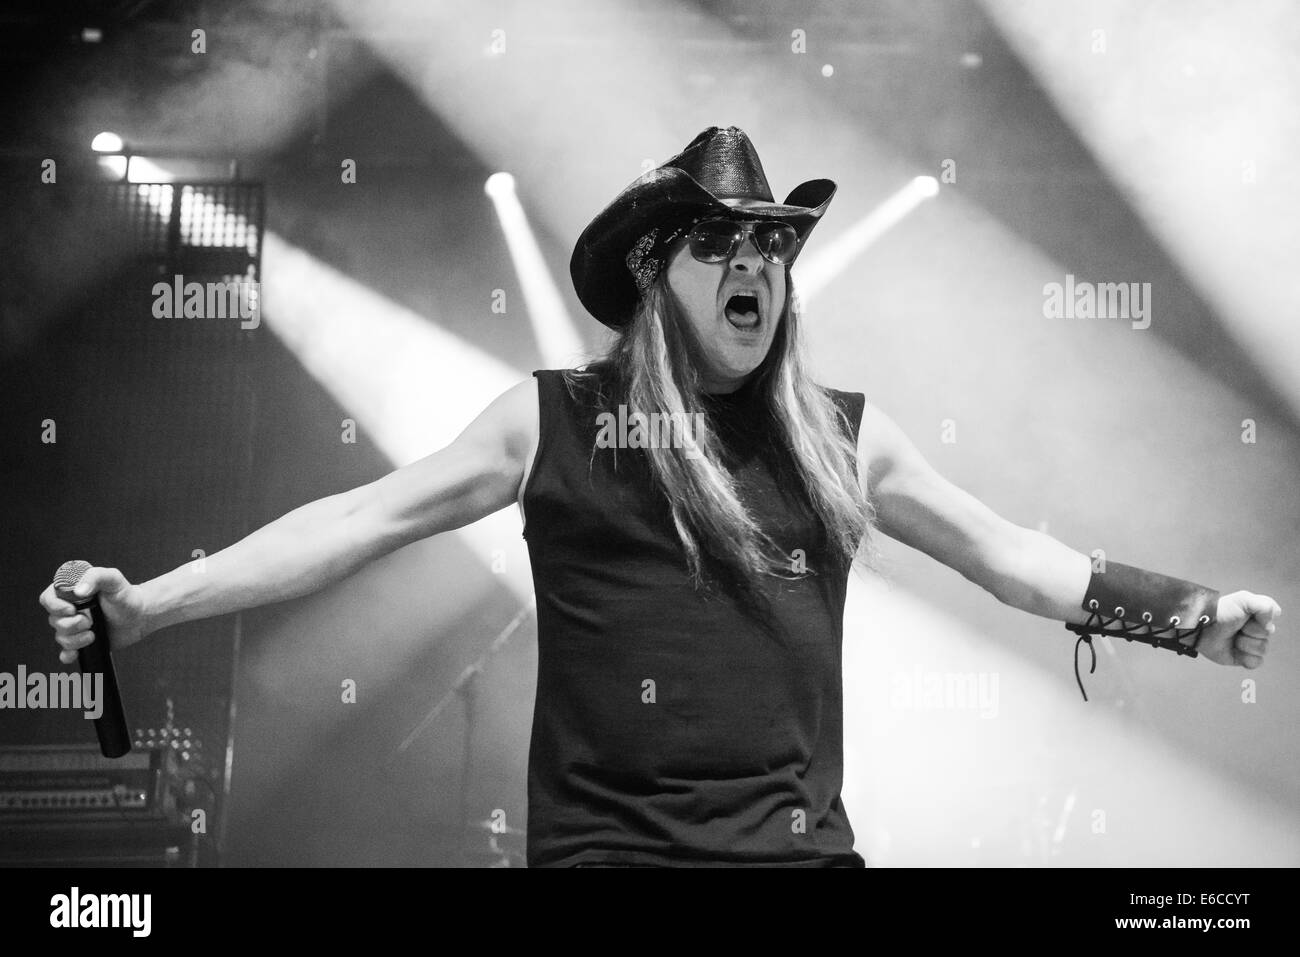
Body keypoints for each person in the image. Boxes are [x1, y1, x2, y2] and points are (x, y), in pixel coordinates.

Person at [41, 126, 1280, 868]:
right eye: (721, 245)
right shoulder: (554, 421)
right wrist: (148, 605)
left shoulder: (842, 439)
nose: (757, 267)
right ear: (655, 272)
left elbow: (1013, 556)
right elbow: (357, 521)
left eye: (774, 248)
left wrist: (1185, 613)